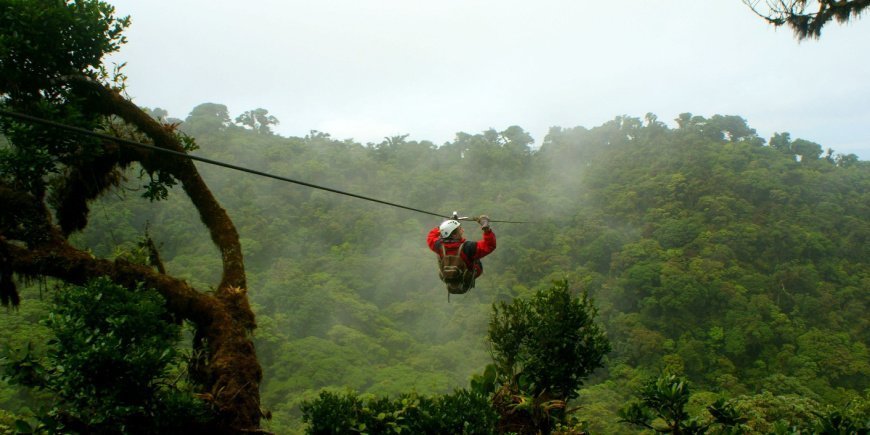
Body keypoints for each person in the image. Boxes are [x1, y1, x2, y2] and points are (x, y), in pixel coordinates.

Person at [427, 215, 496, 293]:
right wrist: (487, 229)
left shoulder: (438, 245)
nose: (462, 230)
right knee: (475, 258)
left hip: (448, 277)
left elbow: (431, 237)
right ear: (455, 235)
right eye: (460, 229)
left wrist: (444, 225)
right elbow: (489, 245)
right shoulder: (469, 247)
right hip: (467, 277)